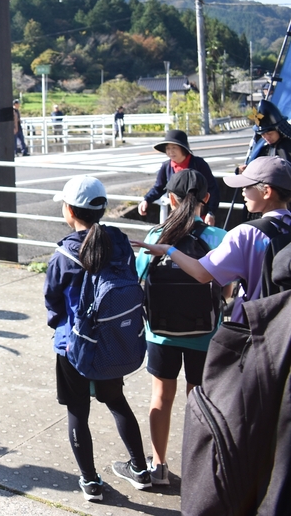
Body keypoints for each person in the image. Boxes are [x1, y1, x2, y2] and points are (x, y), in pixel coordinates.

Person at [44, 176, 151, 502]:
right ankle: (141, 470)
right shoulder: (118, 242)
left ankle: (90, 482)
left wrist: (58, 325)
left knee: (78, 411)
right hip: (110, 341)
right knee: (116, 401)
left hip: (73, 346)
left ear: (69, 210)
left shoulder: (64, 255)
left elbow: (53, 303)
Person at [133, 169, 226, 486]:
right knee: (197, 399)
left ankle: (158, 466)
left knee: (161, 395)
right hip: (205, 333)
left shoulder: (155, 237)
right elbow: (225, 289)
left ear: (169, 198)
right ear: (206, 200)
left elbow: (139, 281)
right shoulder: (217, 238)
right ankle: (197, 471)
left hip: (160, 332)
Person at [133, 156, 291, 326]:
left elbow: (202, 274)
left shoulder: (246, 234)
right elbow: (226, 291)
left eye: (247, 186)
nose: (242, 192)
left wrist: (168, 250)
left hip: (258, 329)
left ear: (266, 192)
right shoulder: (227, 234)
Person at [138, 130, 220, 226]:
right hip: (177, 217)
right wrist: (146, 200)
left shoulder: (199, 164)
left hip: (199, 215)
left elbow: (212, 189)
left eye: (174, 147)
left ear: (183, 148)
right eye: (167, 148)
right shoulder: (166, 166)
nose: (170, 151)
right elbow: (159, 187)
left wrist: (211, 212)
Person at [249, 99, 291, 164]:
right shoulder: (262, 145)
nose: (266, 137)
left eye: (269, 133)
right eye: (263, 134)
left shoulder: (286, 146)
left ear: (279, 130)